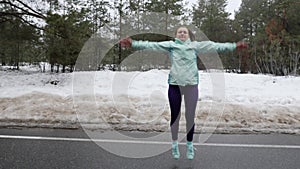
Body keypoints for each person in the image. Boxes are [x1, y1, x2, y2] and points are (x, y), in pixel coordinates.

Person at [119, 26, 247, 160]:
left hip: (191, 85)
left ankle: (189, 145)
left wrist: (234, 46)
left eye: (184, 32)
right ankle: (174, 144)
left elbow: (214, 46)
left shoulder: (195, 46)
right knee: (175, 117)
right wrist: (133, 43)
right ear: (176, 35)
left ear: (188, 36)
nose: (182, 33)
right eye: (179, 32)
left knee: (190, 118)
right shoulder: (171, 45)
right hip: (175, 85)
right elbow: (152, 45)